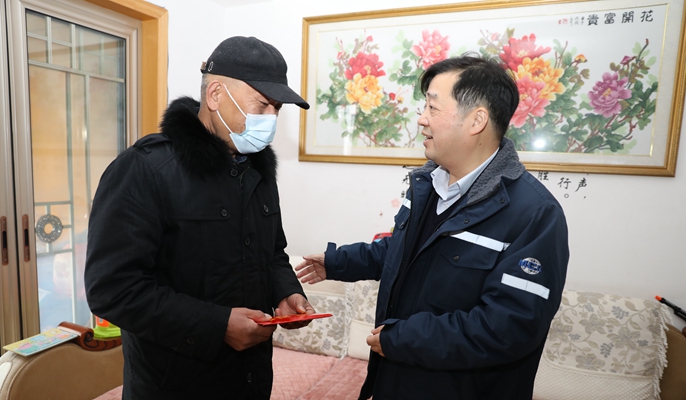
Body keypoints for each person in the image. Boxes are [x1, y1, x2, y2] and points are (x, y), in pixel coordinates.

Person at [296, 54, 569, 399]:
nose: (421, 119)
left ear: (477, 120)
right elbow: (405, 252)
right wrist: (338, 262)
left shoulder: (534, 214)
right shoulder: (428, 185)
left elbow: (510, 327)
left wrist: (403, 338)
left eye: (432, 107)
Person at [85, 36, 314, 400]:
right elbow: (112, 289)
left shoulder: (258, 171)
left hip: (250, 378)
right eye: (262, 105)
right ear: (216, 95)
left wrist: (286, 291)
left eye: (277, 109)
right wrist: (217, 325)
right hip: (175, 384)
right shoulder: (146, 169)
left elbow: (272, 253)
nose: (271, 119)